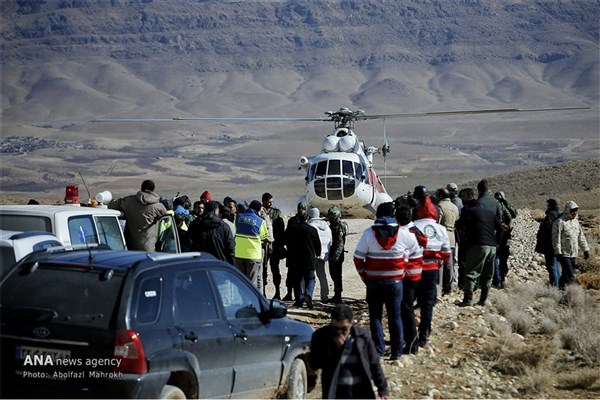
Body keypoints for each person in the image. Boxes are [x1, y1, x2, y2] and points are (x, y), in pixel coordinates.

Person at [354, 202, 420, 360]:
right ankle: (396, 352)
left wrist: (364, 275)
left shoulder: (368, 233)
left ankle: (378, 350)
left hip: (374, 282)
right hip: (395, 282)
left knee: (375, 316)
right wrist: (405, 271)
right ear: (393, 215)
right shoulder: (405, 234)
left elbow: (358, 258)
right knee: (395, 316)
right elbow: (416, 256)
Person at [309, 304, 390, 399]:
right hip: (336, 393)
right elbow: (314, 363)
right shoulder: (321, 337)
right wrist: (333, 348)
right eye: (335, 329)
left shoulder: (362, 337)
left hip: (361, 392)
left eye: (344, 329)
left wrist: (383, 390)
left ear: (351, 324)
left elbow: (374, 363)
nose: (339, 333)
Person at [412, 192, 451, 347]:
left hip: (414, 270)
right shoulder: (441, 229)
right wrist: (438, 264)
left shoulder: (413, 227)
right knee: (428, 304)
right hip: (432, 269)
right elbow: (446, 252)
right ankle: (424, 334)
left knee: (409, 302)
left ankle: (409, 335)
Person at [455, 188, 505, 307]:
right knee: (488, 275)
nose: (461, 200)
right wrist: (497, 243)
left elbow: (459, 225)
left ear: (468, 197)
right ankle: (483, 300)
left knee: (471, 272)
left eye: (462, 197)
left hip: (477, 245)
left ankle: (467, 300)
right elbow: (501, 228)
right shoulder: (489, 213)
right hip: (492, 246)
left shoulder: (467, 210)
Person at [395, 205, 425, 354]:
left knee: (406, 309)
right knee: (407, 308)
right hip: (417, 273)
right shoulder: (416, 230)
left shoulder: (404, 233)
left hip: (406, 274)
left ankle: (412, 343)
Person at [108, 179, 167, 251]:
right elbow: (166, 219)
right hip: (148, 247)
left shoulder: (128, 201)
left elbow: (112, 205)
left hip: (129, 245)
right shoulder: (158, 206)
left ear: (141, 188)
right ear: (153, 189)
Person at [285, 206, 321, 309]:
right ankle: (308, 293)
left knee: (297, 280)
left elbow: (285, 241)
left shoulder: (291, 229)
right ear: (307, 218)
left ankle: (299, 300)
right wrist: (318, 253)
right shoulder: (312, 229)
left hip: (294, 259)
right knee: (310, 278)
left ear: (297, 217)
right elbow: (317, 244)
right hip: (308, 258)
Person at [552, 200, 590, 289]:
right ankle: (575, 294)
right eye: (573, 210)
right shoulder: (560, 222)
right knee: (570, 276)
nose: (574, 212)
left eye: (576, 210)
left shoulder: (575, 222)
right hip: (564, 253)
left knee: (565, 274)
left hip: (573, 253)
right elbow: (555, 238)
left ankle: (559, 291)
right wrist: (558, 252)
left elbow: (581, 236)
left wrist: (586, 250)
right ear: (568, 210)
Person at [234, 200, 269, 287]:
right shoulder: (260, 221)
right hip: (253, 255)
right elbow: (264, 237)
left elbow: (235, 231)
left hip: (239, 254)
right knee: (251, 283)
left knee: (240, 281)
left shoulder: (238, 217)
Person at [282, 201, 309, 301]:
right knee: (302, 275)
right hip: (301, 252)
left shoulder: (292, 221)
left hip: (293, 252)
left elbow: (286, 235)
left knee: (293, 275)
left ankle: (294, 294)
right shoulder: (305, 220)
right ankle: (299, 294)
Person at [261, 192, 286, 299]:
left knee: (275, 269)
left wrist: (280, 244)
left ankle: (277, 292)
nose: (270, 204)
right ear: (264, 201)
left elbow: (281, 230)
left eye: (272, 202)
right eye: (269, 202)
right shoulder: (260, 212)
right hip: (264, 245)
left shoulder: (276, 213)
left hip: (275, 245)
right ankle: (263, 291)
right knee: (263, 269)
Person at [436, 187, 459, 295]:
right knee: (450, 264)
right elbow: (457, 219)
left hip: (442, 235)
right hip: (452, 236)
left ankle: (439, 287)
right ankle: (449, 287)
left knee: (441, 263)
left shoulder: (440, 206)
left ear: (440, 196)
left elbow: (437, 222)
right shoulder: (454, 207)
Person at [492, 191, 518, 289]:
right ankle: (500, 278)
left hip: (501, 234)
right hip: (503, 233)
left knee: (499, 256)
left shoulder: (502, 205)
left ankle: (499, 278)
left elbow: (513, 214)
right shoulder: (501, 205)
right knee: (501, 257)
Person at [308, 207, 333, 303]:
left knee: (309, 276)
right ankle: (325, 296)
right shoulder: (326, 226)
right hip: (323, 254)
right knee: (322, 275)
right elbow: (330, 240)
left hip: (313, 254)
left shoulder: (311, 226)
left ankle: (307, 294)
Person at [535, 199, 562, 287]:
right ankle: (559, 287)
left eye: (548, 205)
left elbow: (547, 230)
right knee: (556, 266)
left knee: (552, 267)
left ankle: (555, 288)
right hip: (556, 244)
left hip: (549, 245)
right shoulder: (558, 216)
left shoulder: (550, 215)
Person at [327, 205, 348, 304]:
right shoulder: (333, 225)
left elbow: (340, 242)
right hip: (334, 253)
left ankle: (338, 295)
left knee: (336, 275)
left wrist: (336, 255)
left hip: (336, 254)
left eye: (331, 215)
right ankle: (337, 293)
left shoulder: (339, 226)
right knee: (333, 274)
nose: (329, 217)